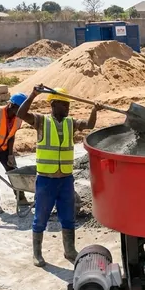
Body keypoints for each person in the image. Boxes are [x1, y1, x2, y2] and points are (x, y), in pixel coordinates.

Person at [16, 86, 103, 267]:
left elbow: (90, 125)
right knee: (40, 217)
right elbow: (21, 114)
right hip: (46, 180)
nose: (67, 108)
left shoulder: (70, 123)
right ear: (54, 104)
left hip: (65, 180)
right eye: (64, 104)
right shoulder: (41, 121)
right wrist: (33, 94)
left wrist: (94, 110)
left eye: (68, 105)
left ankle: (69, 250)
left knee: (68, 216)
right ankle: (37, 254)